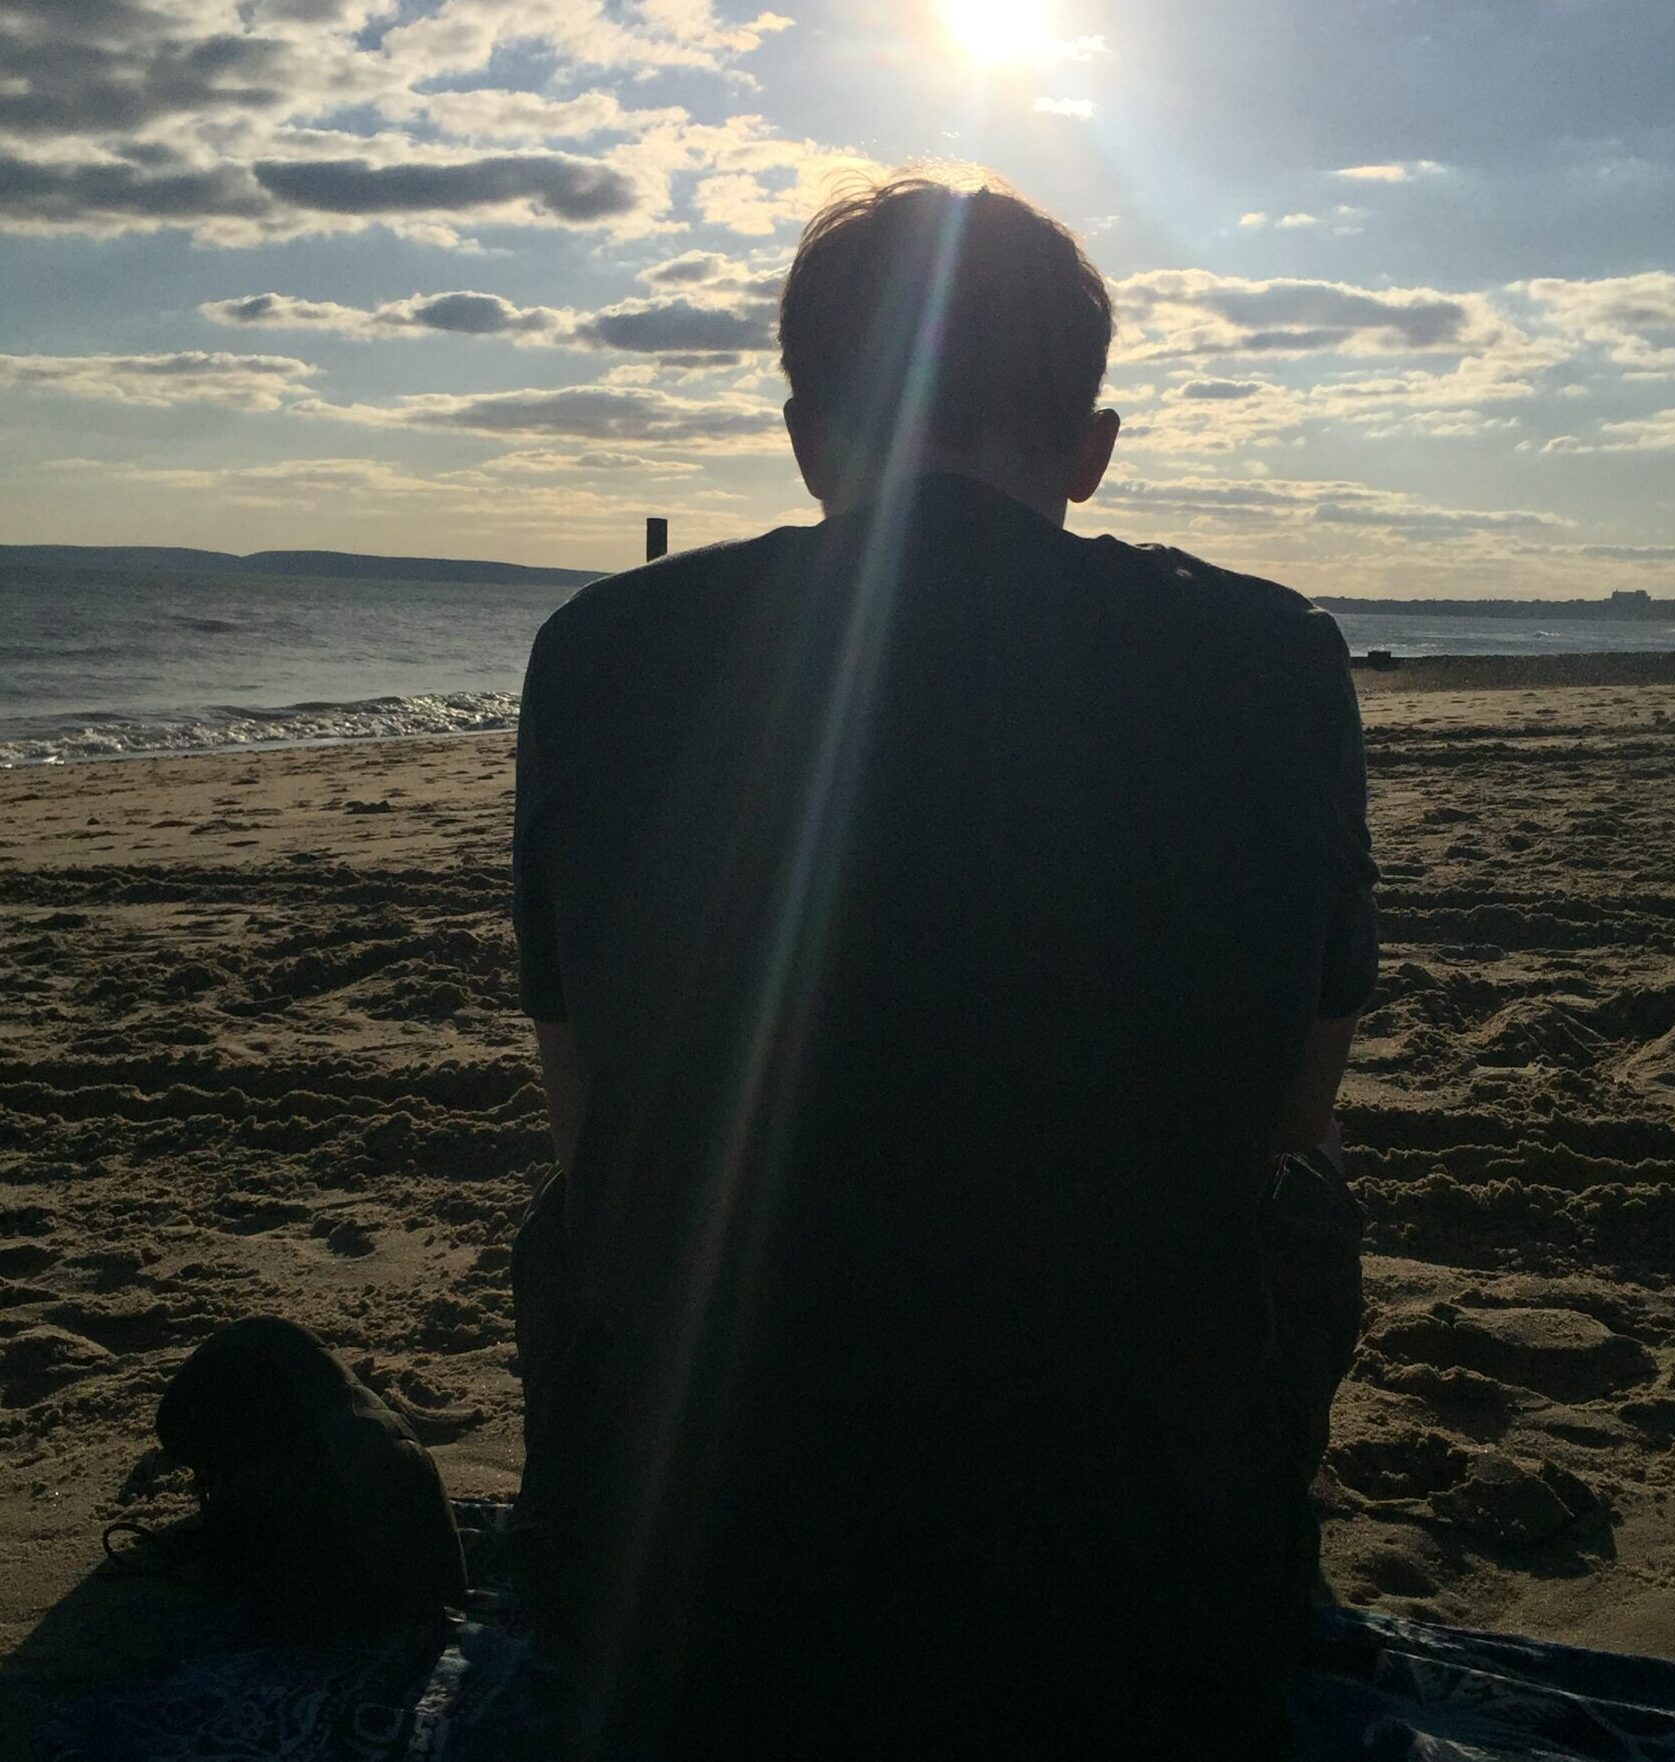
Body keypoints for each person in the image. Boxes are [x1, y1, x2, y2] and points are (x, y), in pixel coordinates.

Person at [509, 171, 1376, 1759]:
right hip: (1147, 1608)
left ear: (800, 429)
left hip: (701, 1611)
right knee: (1304, 1191)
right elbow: (1282, 1115)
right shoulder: (1272, 660)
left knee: (582, 1211)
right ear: (1091, 449)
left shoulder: (602, 653)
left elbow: (593, 1131)